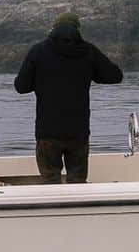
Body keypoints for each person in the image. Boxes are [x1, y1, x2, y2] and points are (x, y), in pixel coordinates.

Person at [14, 10, 123, 184]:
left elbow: (21, 87)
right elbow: (115, 76)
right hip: (78, 133)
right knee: (78, 181)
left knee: (50, 181)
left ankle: (53, 210)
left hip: (47, 132)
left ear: (53, 28)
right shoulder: (88, 51)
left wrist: (41, 80)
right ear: (78, 30)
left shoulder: (38, 51)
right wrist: (90, 72)